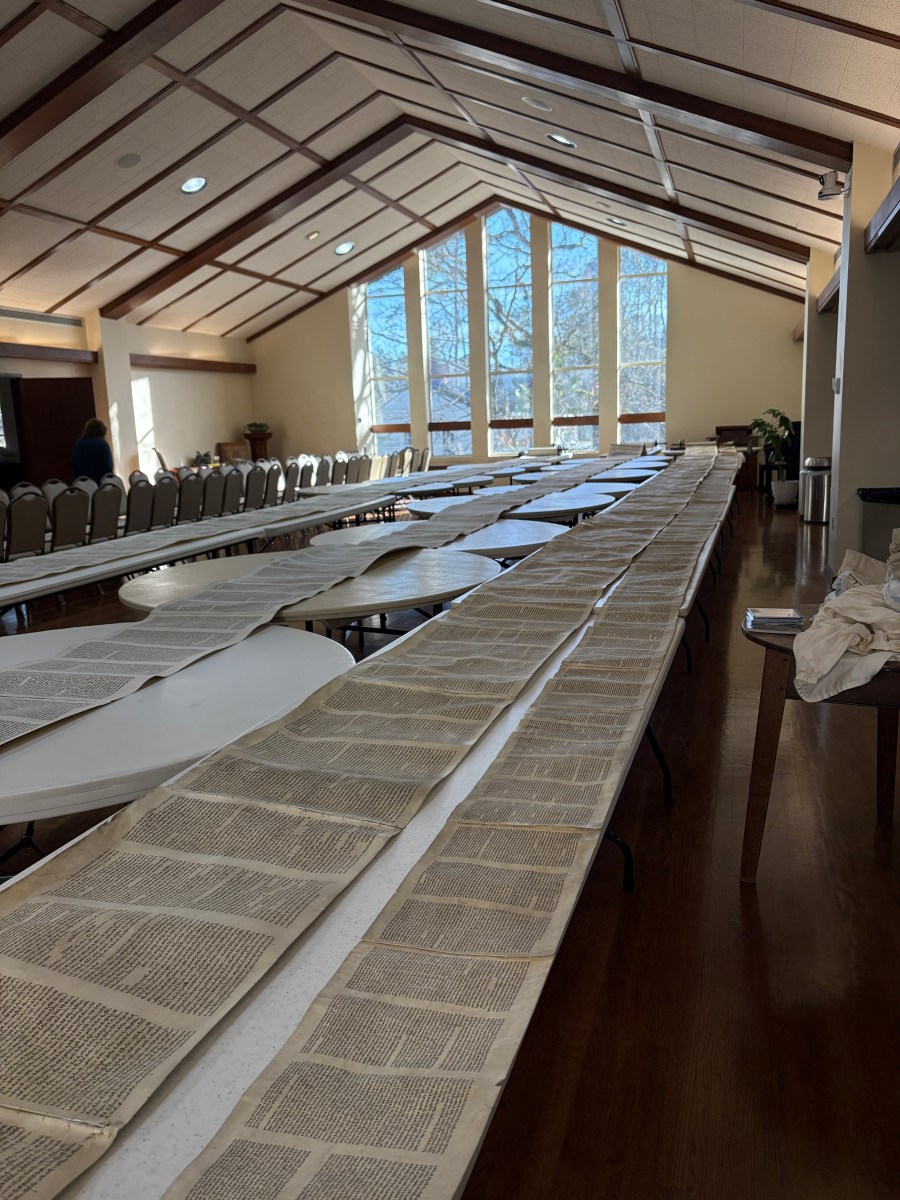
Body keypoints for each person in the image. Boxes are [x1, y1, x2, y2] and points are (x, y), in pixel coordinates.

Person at [71, 417, 113, 483]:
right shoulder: (102, 444)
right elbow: (107, 466)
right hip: (99, 483)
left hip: (81, 483)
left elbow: (75, 464)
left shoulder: (79, 444)